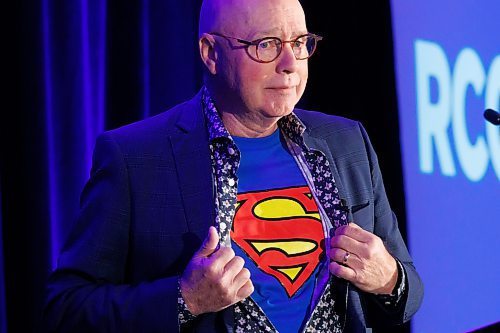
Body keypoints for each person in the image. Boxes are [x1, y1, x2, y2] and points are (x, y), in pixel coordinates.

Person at [43, 0, 423, 332]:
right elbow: (66, 309)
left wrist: (388, 278)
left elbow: (409, 294)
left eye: (300, 43)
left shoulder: (346, 142)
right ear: (211, 53)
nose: (290, 64)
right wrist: (184, 299)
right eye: (266, 45)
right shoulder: (135, 158)